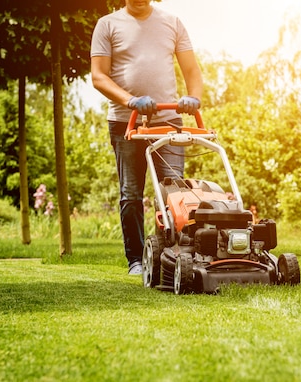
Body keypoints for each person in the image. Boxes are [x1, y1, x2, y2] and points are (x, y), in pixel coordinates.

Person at [90, 0, 203, 275]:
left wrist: (193, 98)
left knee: (174, 193)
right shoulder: (107, 24)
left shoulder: (172, 22)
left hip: (168, 122)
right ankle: (136, 260)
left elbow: (192, 70)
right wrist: (131, 101)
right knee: (131, 194)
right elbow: (98, 76)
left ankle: (172, 256)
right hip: (125, 123)